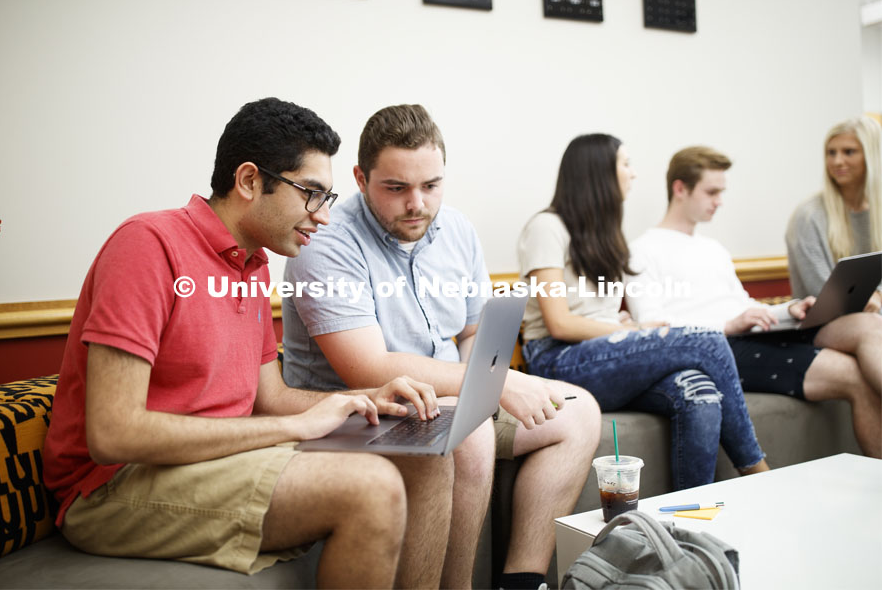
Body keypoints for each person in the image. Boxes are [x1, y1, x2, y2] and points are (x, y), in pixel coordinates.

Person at [42, 98, 457, 588]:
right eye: (311, 193)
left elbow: (270, 397)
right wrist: (296, 425)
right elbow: (114, 435)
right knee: (371, 486)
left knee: (429, 452)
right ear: (248, 181)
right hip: (112, 484)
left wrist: (359, 399)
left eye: (328, 197)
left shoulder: (253, 265)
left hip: (212, 461)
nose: (323, 217)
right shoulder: (147, 244)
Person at [282, 104, 600, 590]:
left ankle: (522, 583)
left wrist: (478, 390)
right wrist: (494, 384)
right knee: (466, 429)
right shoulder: (326, 243)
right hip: (357, 414)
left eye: (430, 186)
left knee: (579, 412)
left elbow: (472, 331)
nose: (417, 204)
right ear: (361, 179)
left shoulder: (456, 230)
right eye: (396, 188)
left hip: (448, 395)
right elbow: (368, 368)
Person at [518, 134, 769, 492]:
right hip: (556, 362)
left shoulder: (605, 234)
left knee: (699, 391)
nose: (633, 174)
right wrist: (634, 334)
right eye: (625, 164)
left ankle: (690, 515)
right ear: (598, 171)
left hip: (596, 358)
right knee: (708, 341)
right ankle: (759, 474)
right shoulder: (547, 227)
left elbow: (593, 314)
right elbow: (558, 322)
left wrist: (630, 327)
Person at [626, 145, 881, 458]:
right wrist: (728, 325)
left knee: (868, 323)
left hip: (758, 331)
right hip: (720, 347)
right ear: (680, 188)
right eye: (712, 192)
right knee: (853, 374)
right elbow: (652, 326)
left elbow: (742, 305)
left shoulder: (713, 248)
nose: (720, 201)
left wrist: (788, 309)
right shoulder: (641, 251)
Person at [786, 115, 882, 311]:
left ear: (871, 156)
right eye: (831, 153)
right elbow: (822, 292)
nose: (837, 161)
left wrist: (878, 296)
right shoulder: (808, 216)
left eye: (849, 152)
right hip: (825, 322)